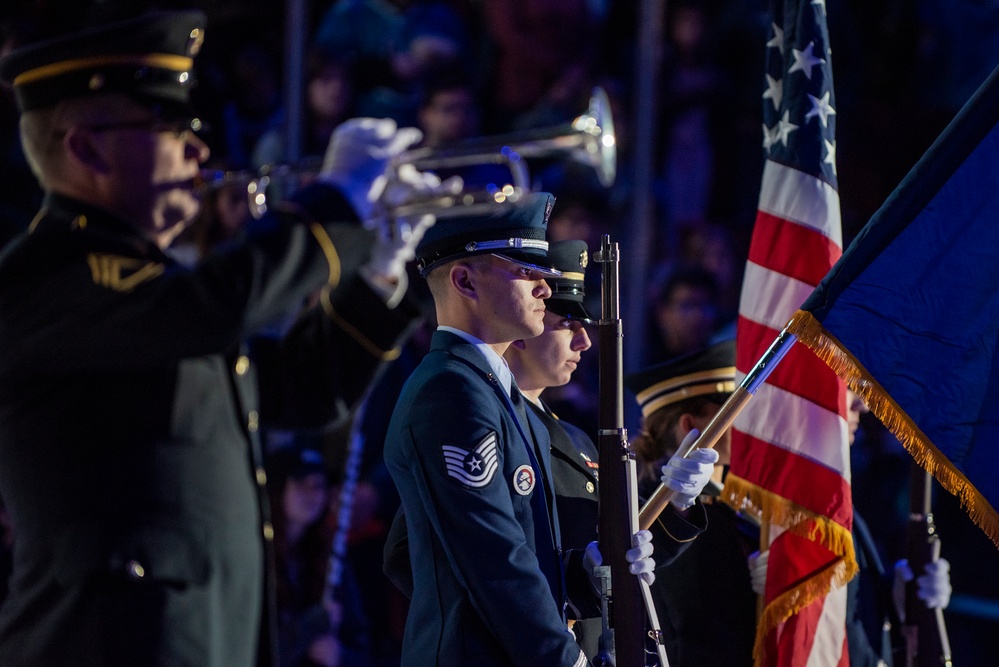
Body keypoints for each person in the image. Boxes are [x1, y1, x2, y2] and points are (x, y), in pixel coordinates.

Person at [0, 10, 444, 666]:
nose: (200, 150)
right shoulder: (44, 275)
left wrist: (379, 276)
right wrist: (333, 207)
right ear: (87, 147)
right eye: (170, 128)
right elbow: (217, 304)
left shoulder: (156, 295)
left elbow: (299, 390)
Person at [382, 239, 713, 662]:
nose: (584, 342)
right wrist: (551, 632)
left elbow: (576, 546)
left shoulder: (564, 436)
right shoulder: (461, 402)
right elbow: (433, 558)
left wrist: (588, 574)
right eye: (567, 323)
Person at [748, 390, 954, 666]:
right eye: (845, 386)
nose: (863, 404)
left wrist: (896, 594)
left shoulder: (833, 492)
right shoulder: (771, 497)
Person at [626, 339, 759, 666]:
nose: (748, 424)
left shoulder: (730, 501)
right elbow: (691, 625)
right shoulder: (655, 508)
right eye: (732, 412)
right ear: (690, 426)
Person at [267, 445, 371, 667]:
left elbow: (361, 644)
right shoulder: (258, 558)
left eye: (319, 486)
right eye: (300, 484)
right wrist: (312, 624)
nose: (313, 494)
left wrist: (340, 655)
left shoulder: (331, 559)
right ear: (278, 489)